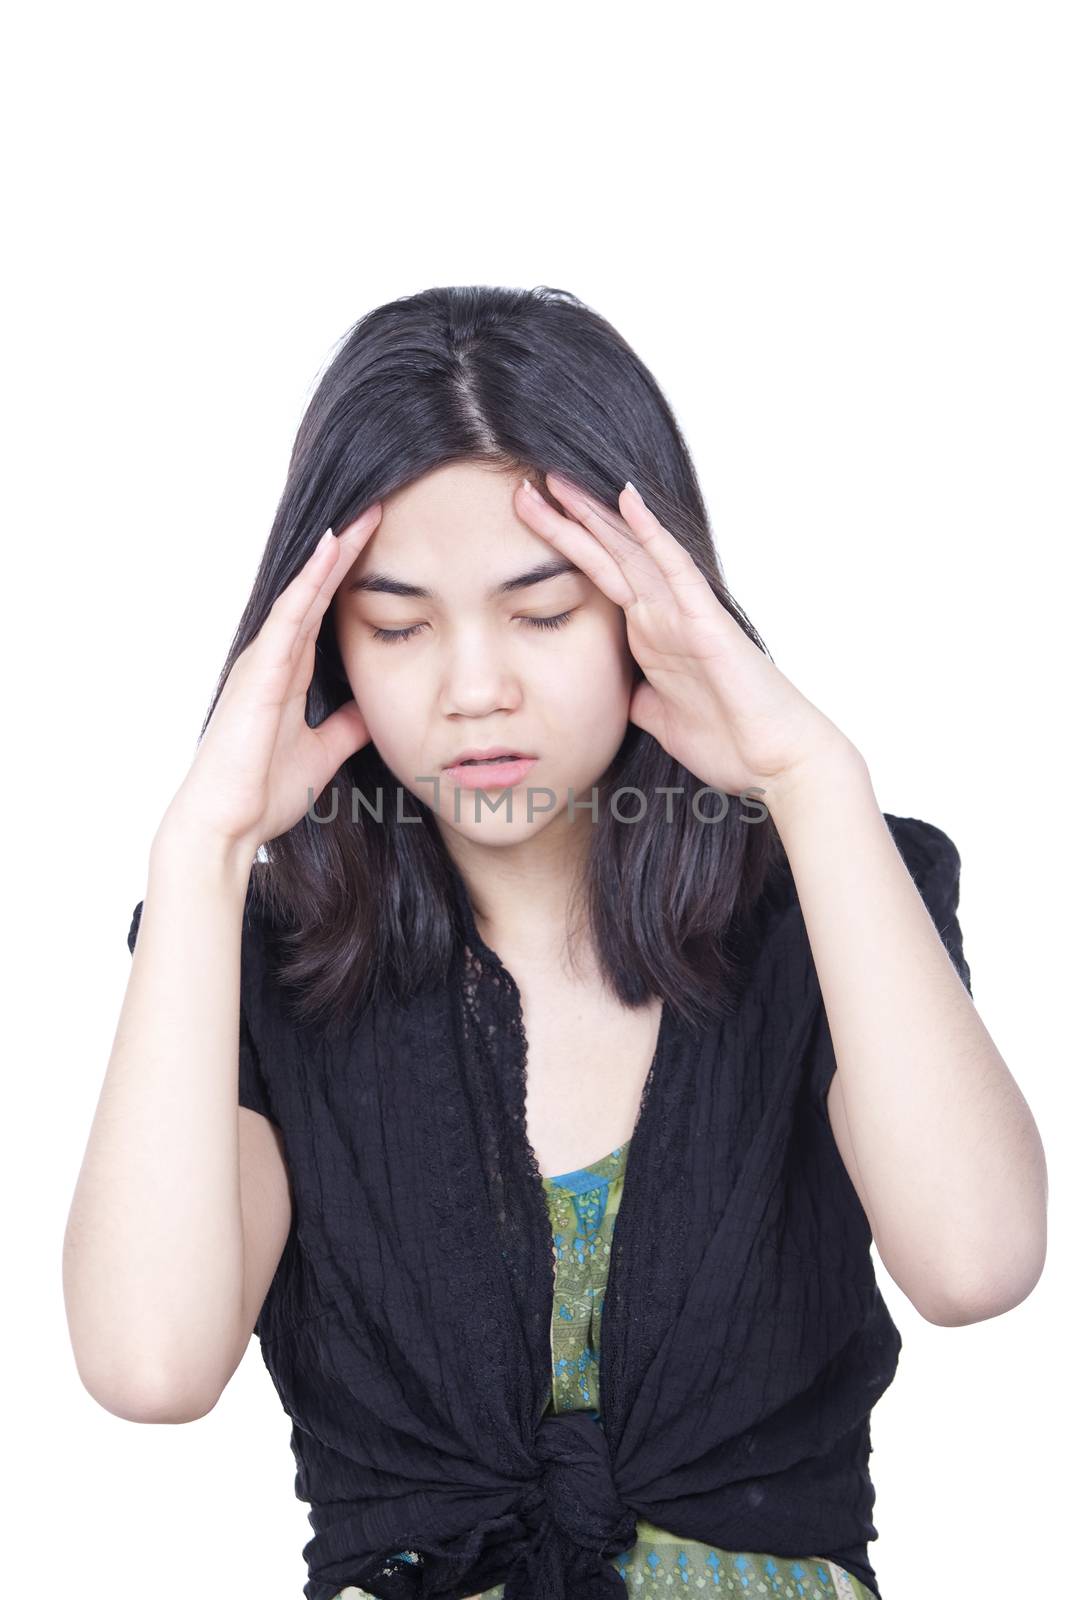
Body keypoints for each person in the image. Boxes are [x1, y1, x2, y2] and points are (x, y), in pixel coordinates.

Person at [63, 285, 1046, 1600]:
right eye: (400, 626)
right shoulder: (248, 956)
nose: (477, 689)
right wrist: (198, 857)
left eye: (543, 612)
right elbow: (148, 1365)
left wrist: (813, 779)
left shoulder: (832, 891)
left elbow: (978, 1261)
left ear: (657, 602)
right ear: (326, 648)